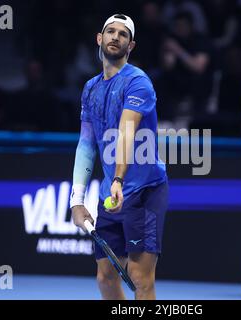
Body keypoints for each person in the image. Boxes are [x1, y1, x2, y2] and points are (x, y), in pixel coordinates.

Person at [70, 14, 168, 300]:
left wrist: (117, 178)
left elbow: (126, 131)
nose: (115, 37)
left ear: (131, 45)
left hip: (144, 191)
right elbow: (86, 145)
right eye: (110, 32)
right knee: (105, 278)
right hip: (110, 194)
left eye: (122, 34)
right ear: (99, 39)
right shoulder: (90, 88)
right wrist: (77, 200)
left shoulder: (138, 82)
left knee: (140, 277)